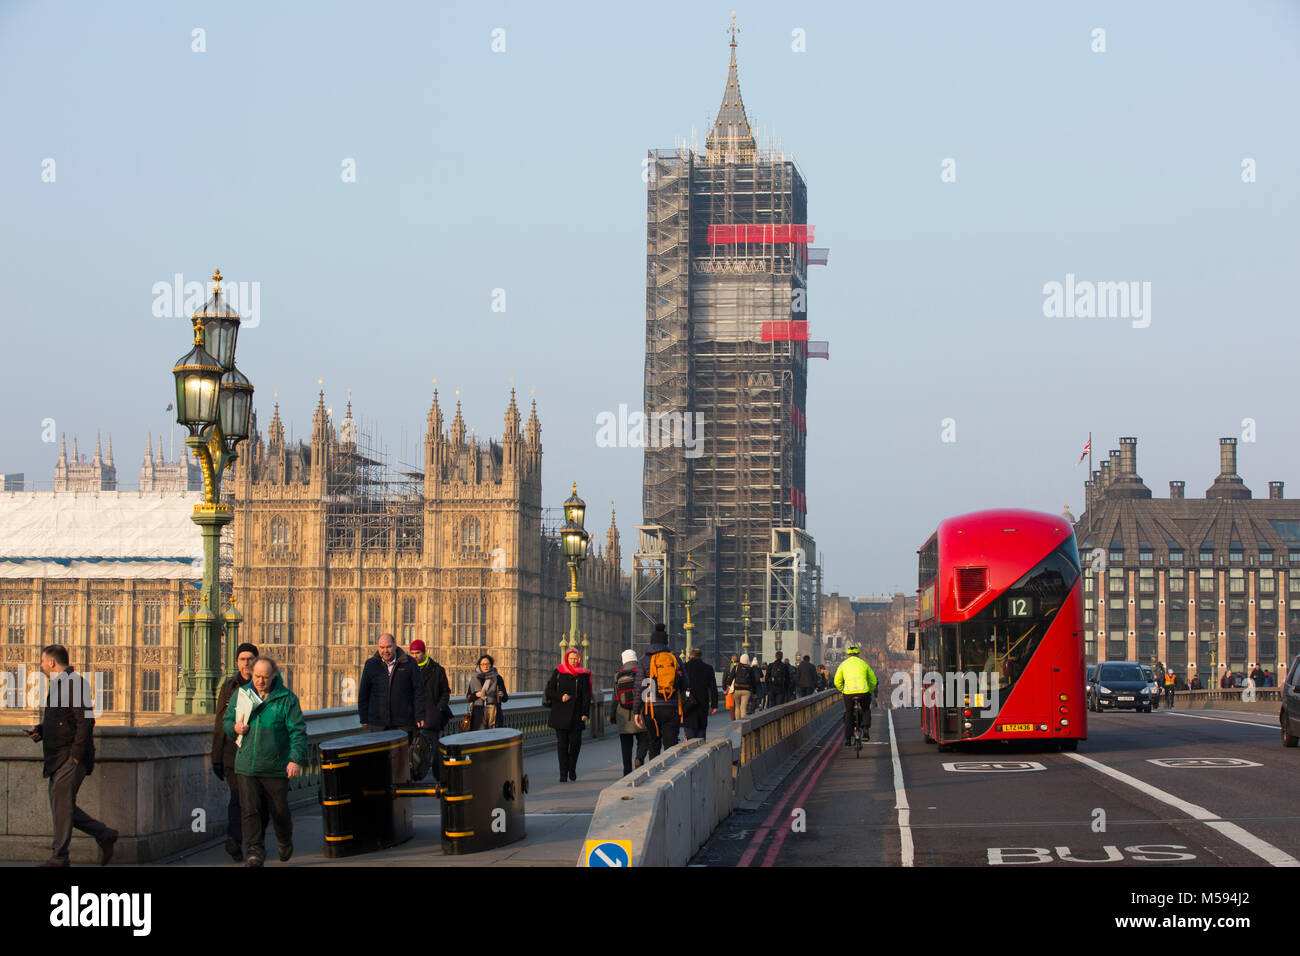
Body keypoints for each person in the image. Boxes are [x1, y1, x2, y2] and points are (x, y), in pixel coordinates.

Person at [25, 644, 117, 867]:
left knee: (62, 807)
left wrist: (75, 757)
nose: (41, 665)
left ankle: (59, 858)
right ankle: (104, 835)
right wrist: (41, 730)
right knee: (63, 808)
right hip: (59, 757)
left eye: (42, 661)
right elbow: (63, 720)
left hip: (68, 758)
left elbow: (86, 721)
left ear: (52, 663)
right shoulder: (60, 684)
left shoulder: (75, 683)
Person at [223, 656, 307, 867]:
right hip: (247, 765)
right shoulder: (242, 694)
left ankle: (284, 840)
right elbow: (226, 721)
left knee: (279, 811)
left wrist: (295, 759)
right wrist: (234, 728)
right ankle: (254, 853)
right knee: (249, 811)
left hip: (275, 766)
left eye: (265, 677)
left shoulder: (286, 698)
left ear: (273, 676)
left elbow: (298, 732)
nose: (260, 681)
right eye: (257, 676)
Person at [212, 642, 265, 862]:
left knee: (255, 802)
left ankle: (253, 845)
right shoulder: (229, 687)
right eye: (243, 659)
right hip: (232, 754)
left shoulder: (267, 686)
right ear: (237, 662)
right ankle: (235, 839)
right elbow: (219, 723)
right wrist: (216, 757)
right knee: (237, 798)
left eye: (250, 659)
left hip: (258, 755)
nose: (246, 663)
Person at [634, 623, 690, 759]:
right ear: (666, 643)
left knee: (654, 744)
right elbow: (685, 684)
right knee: (670, 746)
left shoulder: (644, 661)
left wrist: (636, 711)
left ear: (651, 642)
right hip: (671, 707)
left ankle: (655, 775)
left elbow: (639, 688)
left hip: (651, 709)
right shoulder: (675, 659)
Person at [358, 633, 426, 742]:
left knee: (402, 757)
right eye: (382, 647)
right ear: (378, 648)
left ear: (395, 646)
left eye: (389, 647)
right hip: (378, 723)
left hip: (403, 723)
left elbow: (419, 691)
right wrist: (364, 718)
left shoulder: (409, 663)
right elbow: (364, 693)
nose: (385, 651)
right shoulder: (371, 664)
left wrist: (420, 715)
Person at [544, 647, 592, 782]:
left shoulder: (584, 675)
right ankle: (563, 773)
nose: (573, 661)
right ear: (566, 659)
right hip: (560, 713)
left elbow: (586, 696)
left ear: (579, 659)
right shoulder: (558, 672)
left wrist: (585, 713)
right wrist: (561, 696)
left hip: (577, 714)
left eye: (575, 658)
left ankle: (572, 767)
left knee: (576, 743)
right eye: (571, 658)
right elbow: (549, 691)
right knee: (562, 745)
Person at [410, 639, 451, 782]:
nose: (414, 656)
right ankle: (416, 774)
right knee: (414, 746)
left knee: (433, 746)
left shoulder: (437, 670)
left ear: (424, 652)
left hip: (432, 715)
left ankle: (437, 777)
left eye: (417, 653)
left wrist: (438, 709)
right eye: (412, 653)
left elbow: (445, 692)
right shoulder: (408, 670)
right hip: (413, 715)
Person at [613, 649, 649, 774]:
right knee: (644, 739)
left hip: (623, 714)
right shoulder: (642, 672)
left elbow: (616, 697)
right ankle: (639, 759)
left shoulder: (618, 675)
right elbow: (647, 694)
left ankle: (627, 771)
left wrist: (613, 715)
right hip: (640, 712)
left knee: (626, 746)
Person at [833, 644, 877, 745]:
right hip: (863, 692)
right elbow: (873, 680)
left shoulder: (843, 665)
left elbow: (837, 681)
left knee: (849, 713)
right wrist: (869, 691)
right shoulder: (864, 664)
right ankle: (865, 728)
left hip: (848, 693)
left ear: (848, 655)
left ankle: (848, 739)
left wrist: (842, 690)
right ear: (858, 655)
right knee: (865, 709)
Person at [683, 647, 718, 740]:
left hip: (688, 703)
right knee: (701, 731)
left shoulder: (685, 667)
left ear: (691, 655)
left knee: (689, 729)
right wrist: (714, 705)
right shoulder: (708, 668)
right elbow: (713, 688)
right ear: (701, 656)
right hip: (703, 703)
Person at [467, 654, 508, 730]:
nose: (485, 666)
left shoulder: (498, 678)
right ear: (479, 665)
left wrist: (502, 695)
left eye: (487, 664)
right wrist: (476, 695)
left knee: (494, 736)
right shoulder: (474, 679)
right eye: (483, 664)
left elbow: (505, 698)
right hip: (479, 714)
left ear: (491, 665)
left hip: (494, 712)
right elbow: (469, 698)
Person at [727, 653, 755, 720]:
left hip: (737, 689)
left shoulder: (736, 667)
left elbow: (730, 678)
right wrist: (754, 692)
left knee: (737, 706)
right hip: (746, 690)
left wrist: (729, 685)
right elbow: (753, 681)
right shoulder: (750, 669)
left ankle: (737, 721)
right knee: (743, 707)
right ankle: (743, 723)